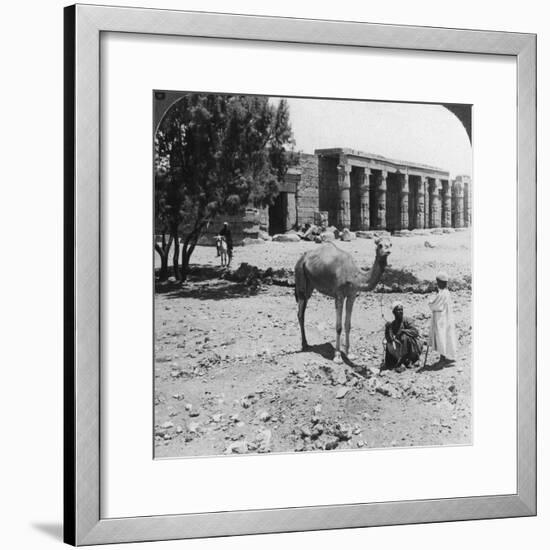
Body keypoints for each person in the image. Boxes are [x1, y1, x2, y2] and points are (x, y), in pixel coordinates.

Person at [428, 271, 457, 365]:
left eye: (438, 282)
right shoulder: (446, 292)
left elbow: (434, 305)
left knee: (441, 337)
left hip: (441, 319)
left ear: (441, 282)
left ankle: (443, 358)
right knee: (446, 336)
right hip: (445, 318)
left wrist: (430, 301)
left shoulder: (442, 294)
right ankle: (446, 357)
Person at [384, 301, 422, 373]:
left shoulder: (407, 320)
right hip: (400, 347)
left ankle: (407, 360)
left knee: (404, 337)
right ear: (394, 312)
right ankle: (391, 362)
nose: (400, 311)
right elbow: (390, 339)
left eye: (401, 310)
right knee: (387, 343)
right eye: (398, 310)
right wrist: (387, 329)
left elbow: (415, 332)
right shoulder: (393, 324)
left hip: (413, 346)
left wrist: (404, 331)